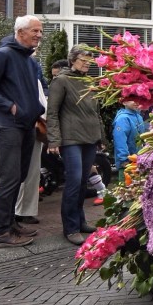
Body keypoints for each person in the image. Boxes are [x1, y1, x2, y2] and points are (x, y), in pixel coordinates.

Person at [0, 16, 45, 247]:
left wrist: (34, 112)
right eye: (35, 30)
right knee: (9, 178)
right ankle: (0, 233)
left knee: (20, 176)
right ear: (20, 32)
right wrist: (11, 106)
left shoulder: (28, 60)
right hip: (6, 124)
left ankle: (10, 223)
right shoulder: (4, 55)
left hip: (25, 125)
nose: (39, 34)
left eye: (40, 31)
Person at [46, 46, 105, 245]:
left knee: (82, 182)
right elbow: (52, 112)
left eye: (89, 60)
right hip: (70, 139)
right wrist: (54, 140)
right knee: (74, 180)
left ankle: (80, 221)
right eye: (83, 60)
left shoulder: (89, 81)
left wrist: (100, 137)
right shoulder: (61, 81)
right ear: (72, 60)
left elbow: (95, 113)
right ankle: (70, 228)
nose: (87, 63)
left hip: (89, 138)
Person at [113, 100, 148, 175]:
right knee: (127, 184)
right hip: (127, 163)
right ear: (124, 102)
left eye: (137, 99)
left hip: (138, 160)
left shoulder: (139, 117)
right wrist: (124, 159)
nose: (136, 102)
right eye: (132, 99)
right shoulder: (122, 118)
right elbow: (120, 141)